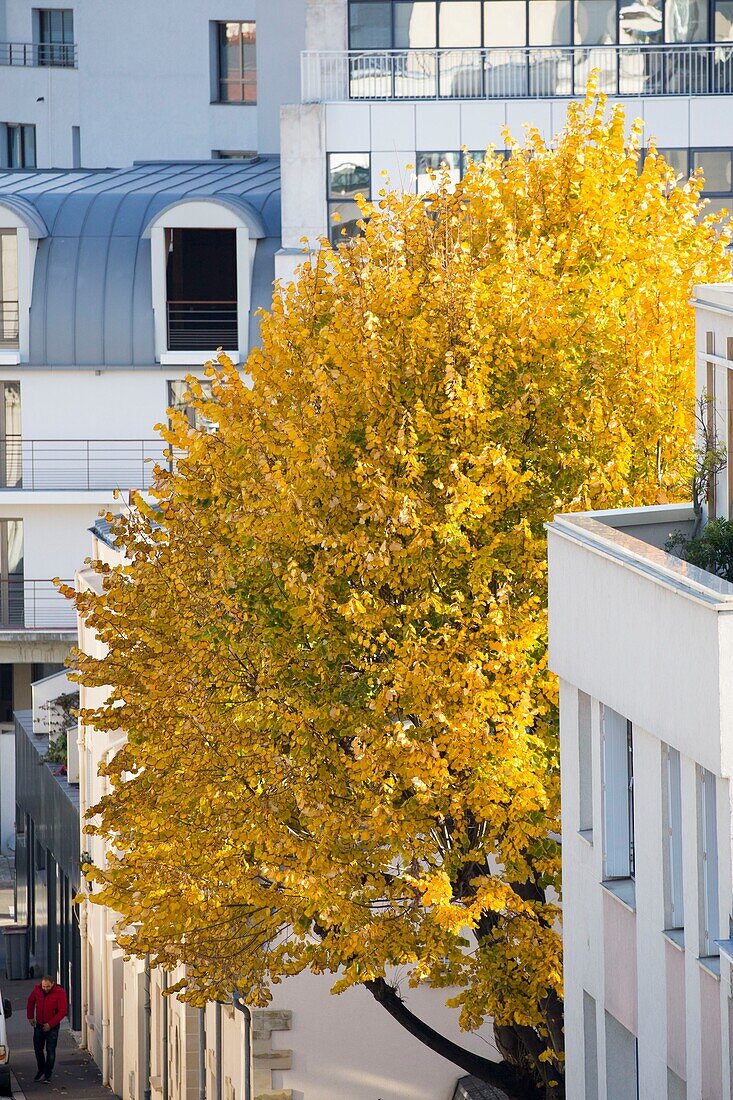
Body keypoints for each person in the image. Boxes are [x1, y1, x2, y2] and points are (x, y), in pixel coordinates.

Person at [26, 975, 68, 1082]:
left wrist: (50, 1024)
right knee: (37, 1049)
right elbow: (31, 1001)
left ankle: (48, 1073)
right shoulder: (37, 990)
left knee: (50, 1050)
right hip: (39, 1024)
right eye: (44, 986)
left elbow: (63, 1011)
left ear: (52, 984)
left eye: (48, 986)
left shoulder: (59, 992)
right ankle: (41, 1069)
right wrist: (30, 1016)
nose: (45, 989)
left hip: (52, 1026)